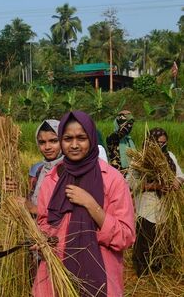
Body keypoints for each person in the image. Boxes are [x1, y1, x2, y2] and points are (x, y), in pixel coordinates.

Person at [33, 111, 135, 297]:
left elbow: (126, 237)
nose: (74, 145)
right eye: (67, 138)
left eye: (81, 138)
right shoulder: (53, 178)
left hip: (100, 276)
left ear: (91, 138)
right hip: (57, 276)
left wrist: (92, 205)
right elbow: (44, 222)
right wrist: (42, 238)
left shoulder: (112, 179)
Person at [131, 127, 184, 277]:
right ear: (151, 142)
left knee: (161, 238)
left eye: (164, 143)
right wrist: (155, 186)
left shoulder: (170, 156)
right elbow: (132, 183)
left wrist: (176, 183)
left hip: (165, 204)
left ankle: (157, 266)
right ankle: (142, 269)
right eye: (158, 143)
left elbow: (180, 175)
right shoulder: (140, 159)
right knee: (146, 236)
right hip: (147, 205)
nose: (161, 146)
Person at [26, 119, 63, 216]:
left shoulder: (67, 170)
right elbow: (33, 197)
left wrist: (33, 209)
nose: (47, 147)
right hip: (36, 227)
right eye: (42, 142)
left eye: (53, 141)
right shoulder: (40, 170)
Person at [106, 110, 135, 176]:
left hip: (129, 175)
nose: (129, 126)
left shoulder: (129, 140)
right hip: (116, 174)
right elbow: (121, 133)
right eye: (127, 124)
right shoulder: (112, 138)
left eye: (131, 124)